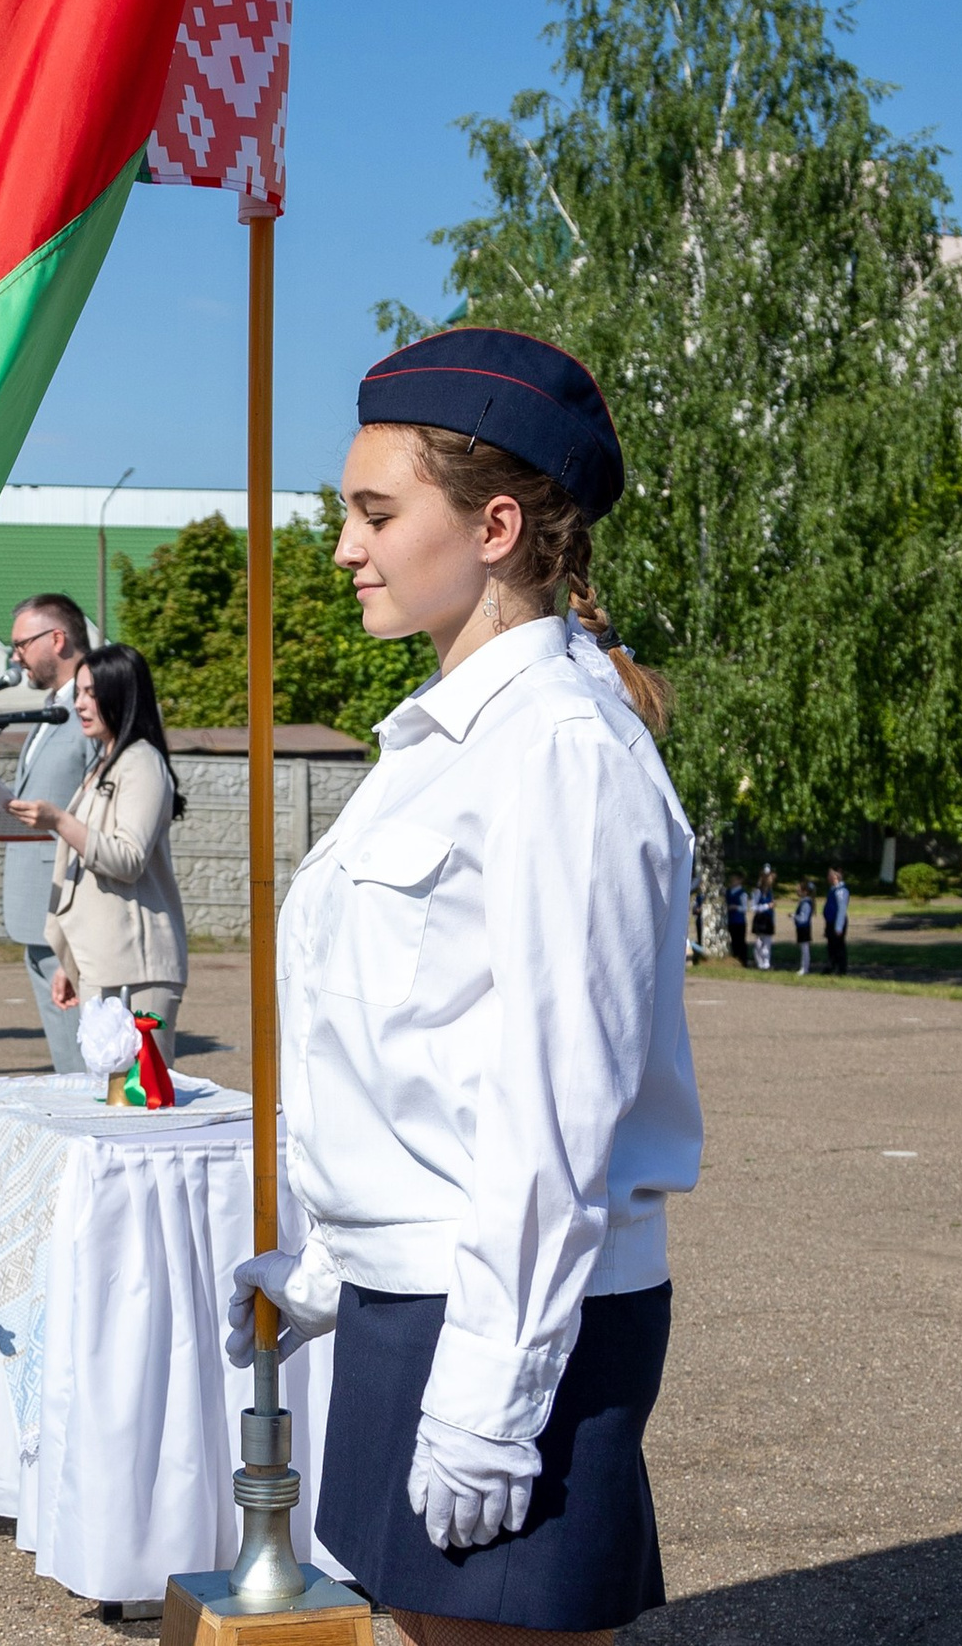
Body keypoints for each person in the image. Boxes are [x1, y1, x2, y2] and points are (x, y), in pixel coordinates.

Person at [224, 328, 701, 1642]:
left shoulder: (559, 749)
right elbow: (413, 1047)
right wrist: (334, 1260)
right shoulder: (442, 744)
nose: (344, 546)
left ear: (496, 527)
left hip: (508, 1310)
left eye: (377, 513)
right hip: (424, 1292)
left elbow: (557, 1103)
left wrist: (493, 1393)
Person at [5, 642, 189, 1063]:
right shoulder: (103, 764)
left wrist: (58, 820)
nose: (80, 705)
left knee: (140, 1092)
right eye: (79, 693)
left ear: (121, 695)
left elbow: (127, 859)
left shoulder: (141, 762)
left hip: (136, 968)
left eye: (92, 693)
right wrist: (71, 962)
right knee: (103, 1090)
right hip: (101, 963)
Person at [0, 593, 100, 1073]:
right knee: (67, 1057)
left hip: (69, 907)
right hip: (36, 904)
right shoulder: (53, 708)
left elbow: (100, 815)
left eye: (21, 644)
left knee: (85, 1061)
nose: (15, 656)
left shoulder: (93, 709)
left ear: (57, 639)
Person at [823, 868, 851, 978]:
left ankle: (841, 968)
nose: (828, 877)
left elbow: (841, 910)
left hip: (838, 921)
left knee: (839, 945)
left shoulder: (841, 891)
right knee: (831, 945)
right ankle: (831, 965)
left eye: (829, 875)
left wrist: (838, 927)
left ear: (835, 876)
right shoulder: (833, 889)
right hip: (830, 921)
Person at [750, 868, 777, 970]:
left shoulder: (770, 891)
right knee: (759, 943)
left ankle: (766, 964)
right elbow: (753, 907)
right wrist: (767, 906)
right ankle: (759, 963)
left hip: (768, 919)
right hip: (760, 919)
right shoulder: (757, 891)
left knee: (767, 943)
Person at [791, 876, 814, 975]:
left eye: (799, 889)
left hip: (804, 928)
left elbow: (803, 918)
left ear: (805, 891)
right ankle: (804, 967)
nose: (797, 891)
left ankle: (805, 968)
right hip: (802, 928)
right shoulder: (804, 902)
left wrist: (794, 916)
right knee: (803, 948)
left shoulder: (806, 903)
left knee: (805, 949)